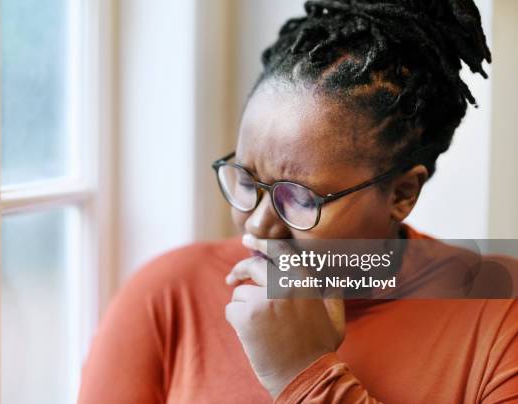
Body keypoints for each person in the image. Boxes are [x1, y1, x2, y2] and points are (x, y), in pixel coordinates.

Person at [78, 0, 518, 402]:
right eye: (247, 180)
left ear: (402, 195)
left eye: (301, 199)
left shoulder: (499, 313)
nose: (257, 226)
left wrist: (303, 374)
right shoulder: (169, 295)